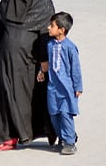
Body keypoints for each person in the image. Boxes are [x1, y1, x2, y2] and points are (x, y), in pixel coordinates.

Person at [0, 0, 56, 152]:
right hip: (5, 59)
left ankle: (37, 133)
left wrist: (44, 61)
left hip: (29, 62)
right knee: (5, 97)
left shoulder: (42, 3)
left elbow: (45, 34)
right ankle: (9, 137)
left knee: (27, 99)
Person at [39, 12, 82, 156]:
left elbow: (75, 68)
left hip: (66, 89)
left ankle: (70, 142)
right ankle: (64, 137)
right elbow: (49, 64)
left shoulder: (70, 47)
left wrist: (78, 87)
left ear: (62, 29)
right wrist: (42, 72)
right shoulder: (50, 45)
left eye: (52, 26)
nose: (48, 28)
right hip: (52, 88)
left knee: (65, 114)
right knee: (54, 115)